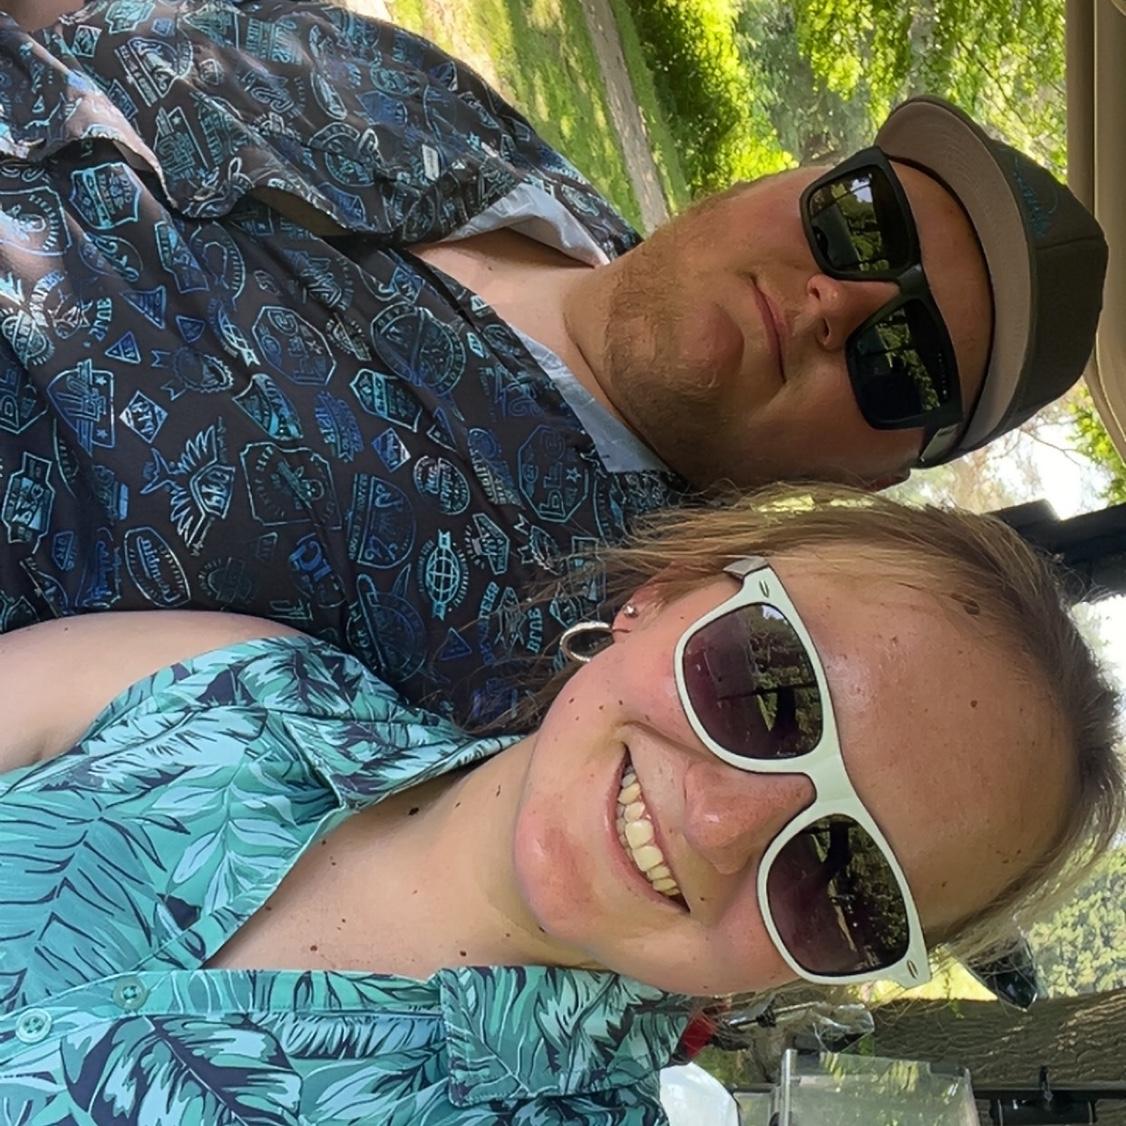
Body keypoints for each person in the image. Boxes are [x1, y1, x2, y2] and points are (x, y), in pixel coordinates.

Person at [0, 0, 1108, 724]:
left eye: (906, 360)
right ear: (800, 174)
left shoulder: (561, 657)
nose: (842, 300)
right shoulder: (457, 114)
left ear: (870, 479)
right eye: (867, 222)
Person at [0, 486, 1121, 1123]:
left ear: (820, 970)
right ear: (658, 601)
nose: (722, 825)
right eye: (772, 687)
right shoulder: (238, 682)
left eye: (844, 883)